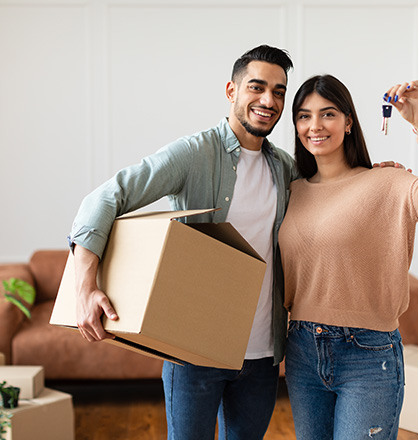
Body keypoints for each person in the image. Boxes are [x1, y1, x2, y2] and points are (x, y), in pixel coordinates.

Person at [68, 44, 297, 440]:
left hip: (261, 354)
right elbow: (106, 198)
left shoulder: (285, 168)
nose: (268, 100)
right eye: (257, 87)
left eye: (279, 92)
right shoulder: (195, 154)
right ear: (231, 91)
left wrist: (376, 174)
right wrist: (85, 284)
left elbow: (334, 193)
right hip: (194, 351)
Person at [278, 75, 418, 440]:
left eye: (328, 114)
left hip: (367, 353)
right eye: (304, 116)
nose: (315, 125)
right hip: (301, 349)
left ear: (349, 122)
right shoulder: (291, 190)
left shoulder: (386, 183)